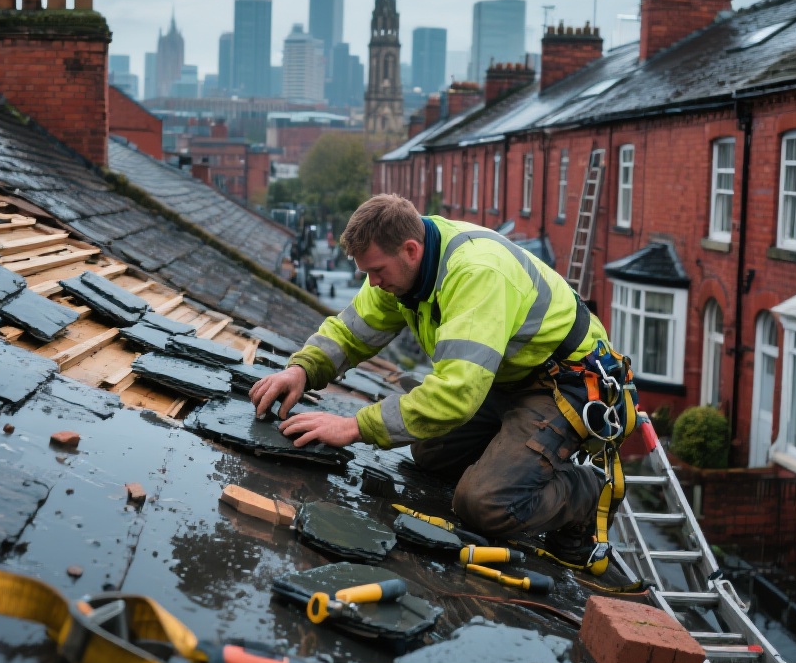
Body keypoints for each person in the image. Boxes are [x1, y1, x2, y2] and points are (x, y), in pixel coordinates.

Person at [249, 194, 634, 569]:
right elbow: (352, 332)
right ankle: (514, 460)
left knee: (483, 504)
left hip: (562, 383)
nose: (373, 282)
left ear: (411, 250)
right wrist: (301, 369)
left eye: (377, 271)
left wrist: (353, 426)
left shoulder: (474, 274)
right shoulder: (400, 270)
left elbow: (455, 395)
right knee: (430, 453)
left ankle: (588, 492)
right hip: (503, 375)